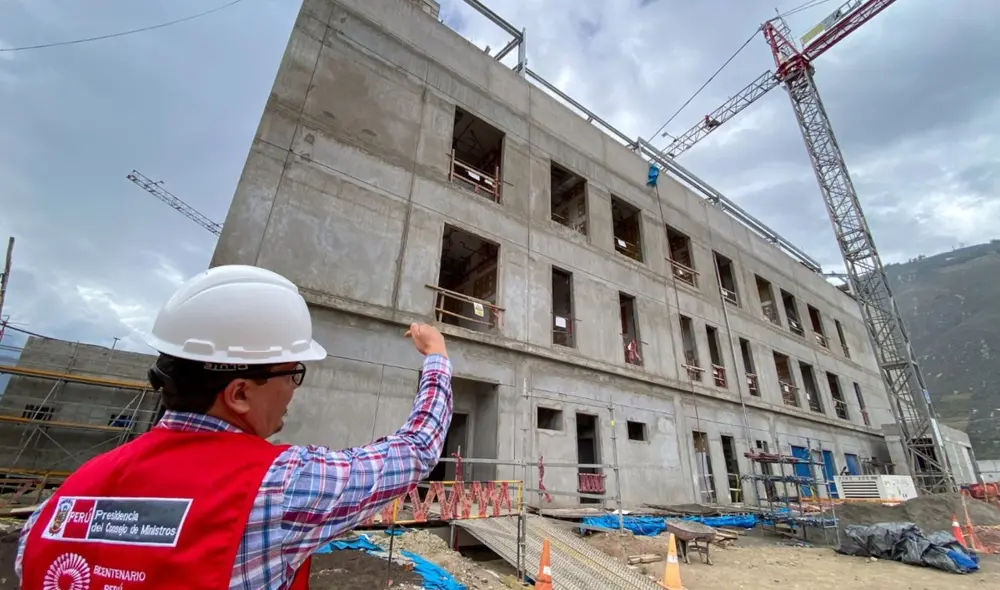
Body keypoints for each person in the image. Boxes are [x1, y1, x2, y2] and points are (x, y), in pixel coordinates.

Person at [15, 265, 453, 589]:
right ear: (239, 393)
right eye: (292, 373)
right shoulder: (282, 487)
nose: (294, 389)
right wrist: (436, 355)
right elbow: (416, 449)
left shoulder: (61, 502)